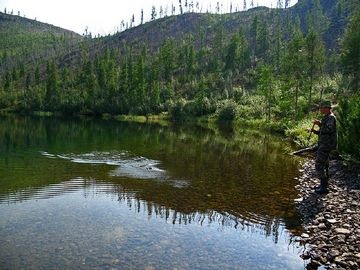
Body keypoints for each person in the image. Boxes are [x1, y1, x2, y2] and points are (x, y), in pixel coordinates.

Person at [310, 100, 337, 194]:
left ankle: (324, 187)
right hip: (324, 144)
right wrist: (315, 131)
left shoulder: (331, 118)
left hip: (326, 145)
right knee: (325, 164)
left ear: (326, 108)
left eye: (321, 107)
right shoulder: (326, 117)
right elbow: (323, 132)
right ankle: (324, 185)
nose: (320, 109)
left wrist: (319, 124)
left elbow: (329, 130)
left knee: (318, 164)